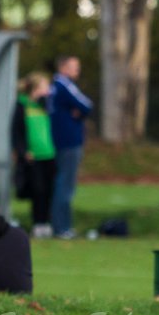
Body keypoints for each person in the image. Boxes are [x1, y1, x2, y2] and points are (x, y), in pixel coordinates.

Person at [48, 55, 93, 239]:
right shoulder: (64, 85)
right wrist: (79, 113)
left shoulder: (54, 87)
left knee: (62, 182)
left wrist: (77, 113)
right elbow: (87, 105)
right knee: (65, 185)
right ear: (63, 67)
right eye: (74, 66)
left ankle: (61, 226)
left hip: (60, 141)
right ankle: (62, 228)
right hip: (68, 142)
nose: (77, 70)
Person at [11, 74, 57, 239]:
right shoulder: (22, 104)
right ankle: (38, 223)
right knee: (38, 190)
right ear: (36, 88)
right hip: (33, 156)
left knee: (49, 190)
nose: (48, 90)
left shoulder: (45, 105)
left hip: (49, 153)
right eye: (45, 86)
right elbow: (16, 132)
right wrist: (23, 151)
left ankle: (47, 222)